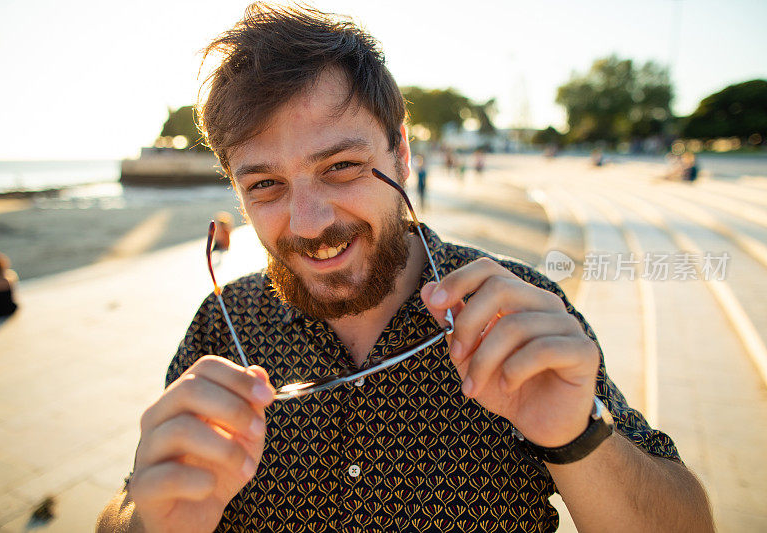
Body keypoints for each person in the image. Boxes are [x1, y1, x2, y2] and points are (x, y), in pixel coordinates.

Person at [97, 5, 713, 532]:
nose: (308, 222)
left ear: (402, 153)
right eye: (265, 184)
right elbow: (131, 502)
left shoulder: (513, 309)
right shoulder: (223, 325)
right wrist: (147, 520)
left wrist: (577, 438)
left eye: (341, 166)